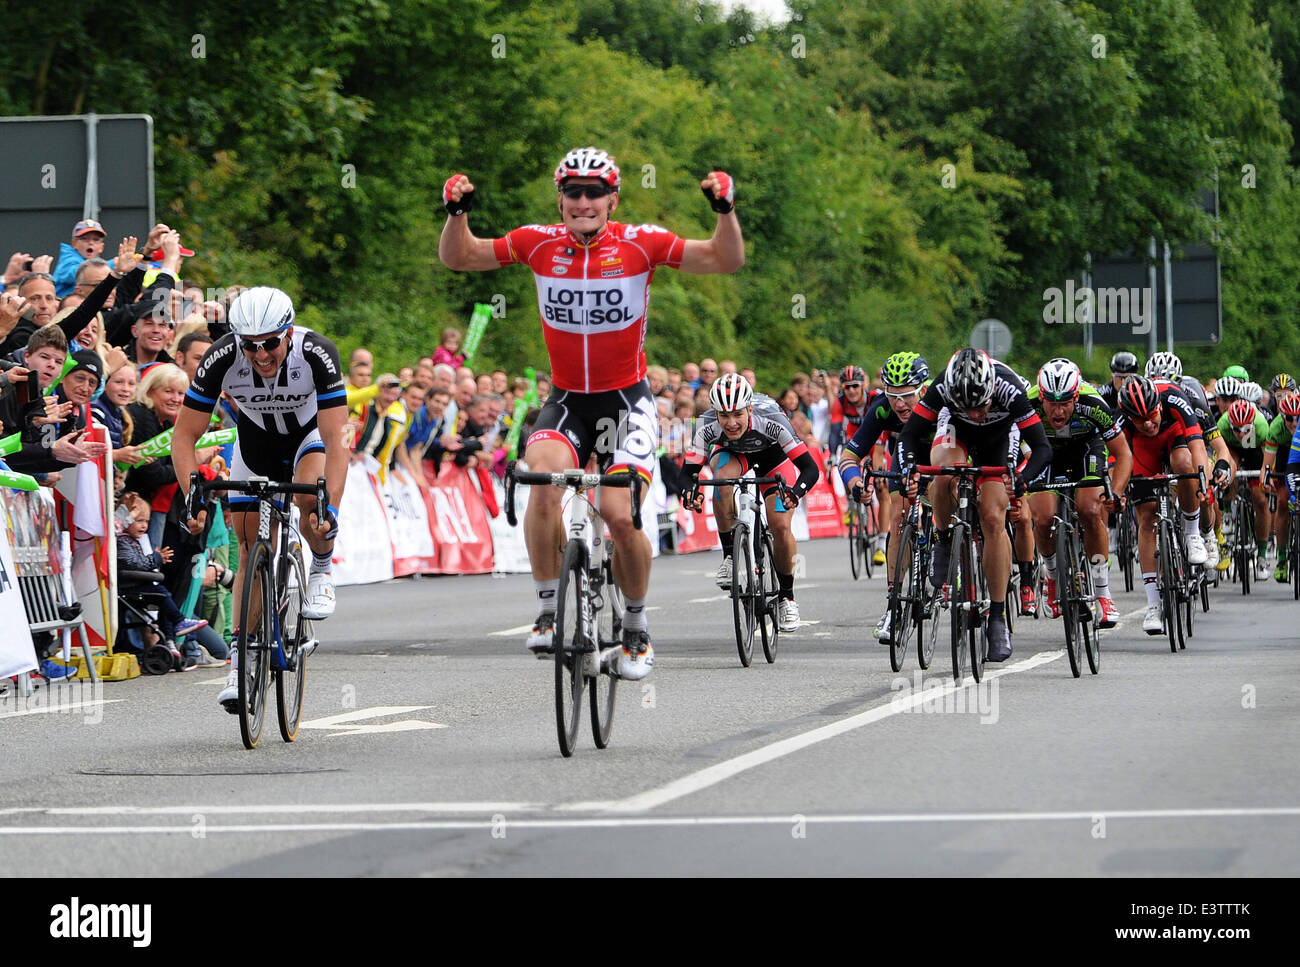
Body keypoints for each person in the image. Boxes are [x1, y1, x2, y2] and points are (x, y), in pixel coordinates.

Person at [439, 146, 744, 679]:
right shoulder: (538, 243)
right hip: (566, 402)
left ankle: (636, 628)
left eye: (594, 192)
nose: (583, 201)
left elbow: (725, 259)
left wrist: (724, 211)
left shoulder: (639, 243)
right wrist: (456, 214)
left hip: (627, 401)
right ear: (560, 198)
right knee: (542, 485)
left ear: (612, 198)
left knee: (620, 515)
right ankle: (547, 608)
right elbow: (460, 257)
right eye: (573, 192)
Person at [173, 287, 349, 713]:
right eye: (250, 346)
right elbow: (184, 436)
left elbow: (336, 440)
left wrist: (331, 508)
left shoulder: (317, 353)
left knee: (310, 509)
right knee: (249, 547)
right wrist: (193, 497)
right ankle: (240, 662)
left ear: (287, 333)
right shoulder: (221, 356)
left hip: (309, 439)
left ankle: (322, 566)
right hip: (255, 445)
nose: (261, 354)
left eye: (270, 343)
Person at [898, 349, 1052, 662]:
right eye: (966, 407)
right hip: (955, 433)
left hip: (999, 439)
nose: (975, 414)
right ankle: (942, 539)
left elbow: (1041, 448)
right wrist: (909, 468)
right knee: (942, 476)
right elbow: (909, 437)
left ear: (991, 390)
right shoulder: (943, 387)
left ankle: (997, 618)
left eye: (980, 406)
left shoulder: (1010, 389)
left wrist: (1022, 480)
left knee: (994, 518)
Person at [681, 374, 819, 631]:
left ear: (750, 409)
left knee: (780, 525)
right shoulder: (706, 423)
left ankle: (787, 597)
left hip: (773, 457)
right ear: (715, 413)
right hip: (733, 455)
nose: (731, 423)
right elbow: (688, 470)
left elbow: (810, 469)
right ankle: (730, 556)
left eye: (737, 415)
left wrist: (795, 494)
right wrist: (689, 491)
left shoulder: (773, 420)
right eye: (724, 416)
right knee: (721, 480)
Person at [1023, 358, 1132, 628]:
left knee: (1090, 510)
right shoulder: (1027, 404)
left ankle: (1103, 594)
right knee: (1044, 517)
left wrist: (1116, 493)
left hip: (1085, 449)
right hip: (1044, 451)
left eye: (1065, 404)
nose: (1058, 412)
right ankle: (1051, 575)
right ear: (1042, 396)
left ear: (1075, 396)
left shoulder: (1093, 403)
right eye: (1051, 403)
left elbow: (1123, 454)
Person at [838, 352, 930, 642]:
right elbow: (849, 456)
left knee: (945, 498)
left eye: (907, 396)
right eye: (893, 396)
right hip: (904, 454)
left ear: (923, 391)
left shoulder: (940, 406)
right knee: (899, 517)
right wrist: (855, 483)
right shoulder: (881, 408)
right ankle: (893, 606)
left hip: (939, 453)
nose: (900, 404)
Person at [1114, 375, 1210, 635]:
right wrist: (1117, 493)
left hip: (1174, 437)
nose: (1147, 423)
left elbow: (1198, 447)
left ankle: (1191, 533)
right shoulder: (1120, 418)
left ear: (1158, 403)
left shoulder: (1174, 397)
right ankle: (1154, 604)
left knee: (1183, 462)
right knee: (1147, 519)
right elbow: (1118, 460)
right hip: (1143, 451)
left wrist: (1203, 480)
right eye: (1139, 419)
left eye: (1151, 415)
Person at [51, 219, 107, 298]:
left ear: (102, 247)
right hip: (63, 307)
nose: (91, 243)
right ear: (74, 243)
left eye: (96, 239)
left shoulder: (90, 262)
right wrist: (114, 265)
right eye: (85, 239)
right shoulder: (68, 258)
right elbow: (74, 274)